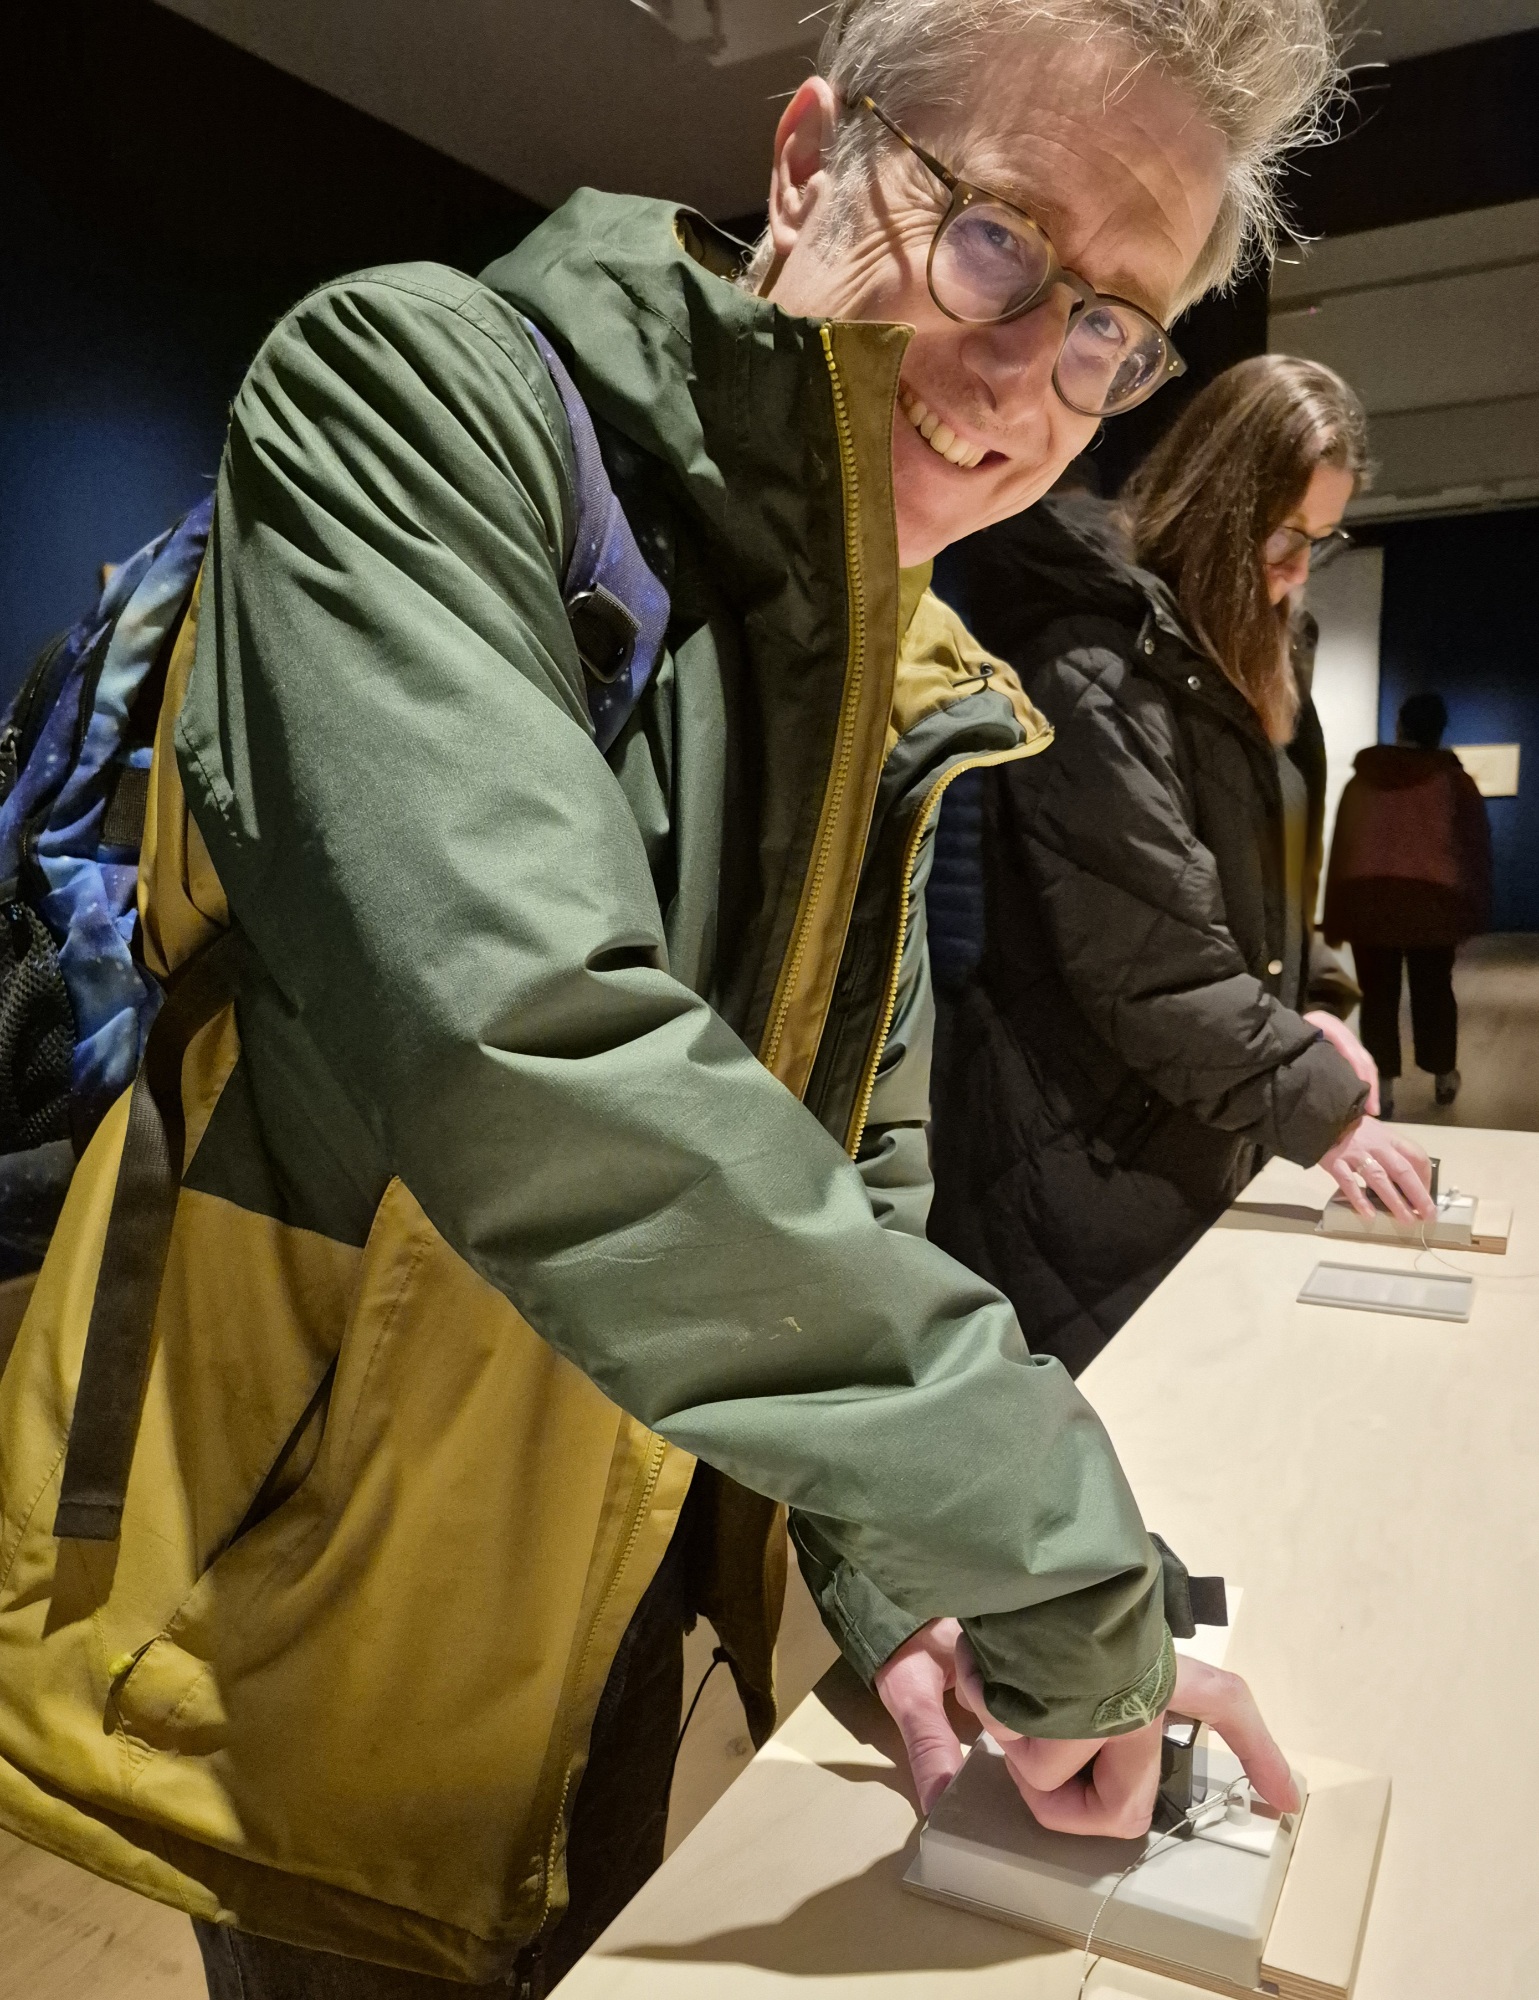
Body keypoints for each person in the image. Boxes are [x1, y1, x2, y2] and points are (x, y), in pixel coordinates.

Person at [0, 6, 1340, 1994]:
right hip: (315, 1610)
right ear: (803, 159)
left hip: (634, 1598)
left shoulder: (903, 664)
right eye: (992, 236)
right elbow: (532, 1056)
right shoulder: (407, 389)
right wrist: (1046, 1542)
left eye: (1106, 328)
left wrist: (906, 1570)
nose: (1022, 375)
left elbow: (858, 1171)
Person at [928, 355, 1436, 1378]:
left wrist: (1319, 997)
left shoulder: (1249, 665)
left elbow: (1272, 900)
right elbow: (1151, 963)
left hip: (1195, 1128)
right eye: (1284, 536)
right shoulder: (1090, 670)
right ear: (1218, 504)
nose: (1297, 570)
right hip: (1084, 1159)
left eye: (1319, 541)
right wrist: (1321, 1107)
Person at [1324, 692, 1493, 1115]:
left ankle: (1382, 1086)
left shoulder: (1362, 780)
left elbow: (1343, 848)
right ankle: (1443, 1076)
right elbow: (1474, 851)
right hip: (1431, 904)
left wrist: (1336, 915)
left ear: (1400, 725)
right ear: (1439, 730)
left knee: (1377, 996)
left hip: (1369, 903)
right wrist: (1474, 910)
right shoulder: (1455, 783)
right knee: (1434, 992)